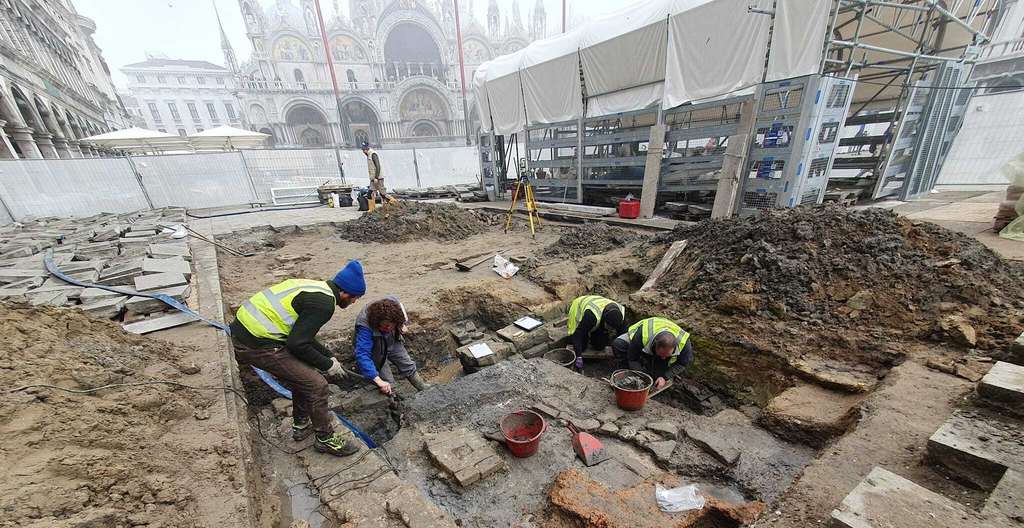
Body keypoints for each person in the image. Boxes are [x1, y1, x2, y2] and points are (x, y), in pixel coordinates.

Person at [229, 260, 366, 457]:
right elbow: (297, 344)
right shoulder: (324, 305)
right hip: (255, 343)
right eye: (355, 298)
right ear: (345, 293)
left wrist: (329, 356)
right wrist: (327, 365)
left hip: (250, 331)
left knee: (303, 376)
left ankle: (301, 425)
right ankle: (325, 439)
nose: (354, 302)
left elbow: (304, 336)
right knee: (318, 385)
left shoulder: (317, 288)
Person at [353, 296, 430, 395]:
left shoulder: (395, 305)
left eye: (391, 325)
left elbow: (402, 318)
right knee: (386, 378)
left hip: (392, 338)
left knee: (406, 362)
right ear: (377, 323)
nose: (388, 328)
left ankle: (421, 386)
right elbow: (362, 354)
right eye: (385, 326)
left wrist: (401, 325)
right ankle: (395, 398)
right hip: (374, 344)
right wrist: (377, 380)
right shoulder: (365, 326)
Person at [612, 317, 694, 392]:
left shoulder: (684, 344)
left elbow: (682, 364)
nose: (663, 357)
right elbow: (632, 358)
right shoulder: (641, 335)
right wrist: (641, 375)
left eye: (667, 355)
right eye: (661, 354)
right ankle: (625, 374)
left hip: (652, 347)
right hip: (640, 341)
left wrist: (665, 377)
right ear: (655, 346)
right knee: (618, 344)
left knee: (656, 375)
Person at [361, 141, 392, 211]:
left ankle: (394, 204)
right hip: (373, 179)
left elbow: (378, 166)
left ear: (367, 148)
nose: (363, 151)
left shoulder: (373, 154)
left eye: (364, 149)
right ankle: (371, 210)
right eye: (363, 149)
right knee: (370, 194)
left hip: (378, 178)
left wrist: (376, 177)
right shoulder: (368, 155)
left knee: (383, 194)